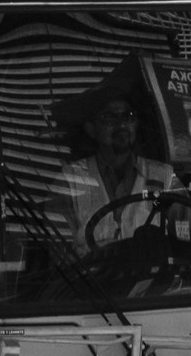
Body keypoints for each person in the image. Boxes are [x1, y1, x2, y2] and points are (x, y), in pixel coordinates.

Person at [59, 91, 169, 247]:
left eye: (128, 116)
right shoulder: (71, 179)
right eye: (109, 117)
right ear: (91, 128)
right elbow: (59, 250)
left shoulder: (164, 176)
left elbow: (190, 236)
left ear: (136, 124)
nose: (122, 125)